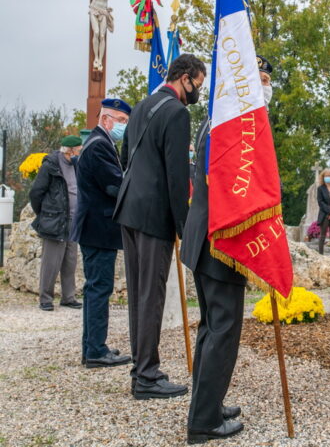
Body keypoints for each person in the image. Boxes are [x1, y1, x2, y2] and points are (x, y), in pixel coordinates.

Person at [114, 53, 206, 400]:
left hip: (130, 208)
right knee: (151, 296)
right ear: (184, 78)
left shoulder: (141, 106)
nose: (197, 91)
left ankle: (141, 368)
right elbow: (176, 174)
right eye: (197, 84)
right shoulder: (177, 111)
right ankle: (147, 376)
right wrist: (184, 225)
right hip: (153, 215)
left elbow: (126, 157)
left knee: (139, 294)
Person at [181, 118, 246, 444]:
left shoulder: (215, 117)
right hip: (221, 240)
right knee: (223, 331)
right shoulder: (236, 122)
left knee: (211, 328)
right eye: (258, 78)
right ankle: (204, 422)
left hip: (204, 236)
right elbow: (237, 185)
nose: (264, 86)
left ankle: (206, 406)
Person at [72, 99, 133, 368]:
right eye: (121, 121)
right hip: (98, 228)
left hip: (95, 228)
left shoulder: (99, 143)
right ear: (106, 119)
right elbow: (114, 185)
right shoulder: (99, 146)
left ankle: (92, 347)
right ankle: (96, 350)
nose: (123, 127)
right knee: (99, 289)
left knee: (94, 289)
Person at [30, 135, 83, 311]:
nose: (80, 152)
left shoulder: (75, 165)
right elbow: (36, 193)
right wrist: (45, 214)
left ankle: (68, 297)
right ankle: (45, 299)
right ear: (70, 151)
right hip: (55, 220)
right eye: (78, 150)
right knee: (51, 262)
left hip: (73, 221)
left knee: (70, 261)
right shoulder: (50, 166)